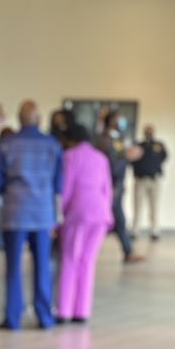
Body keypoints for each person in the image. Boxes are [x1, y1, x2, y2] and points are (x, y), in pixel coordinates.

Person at [0, 100, 62, 330]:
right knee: (43, 266)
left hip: (15, 212)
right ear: (39, 119)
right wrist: (57, 214)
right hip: (43, 214)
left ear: (19, 119)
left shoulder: (7, 144)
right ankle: (45, 317)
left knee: (13, 267)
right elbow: (58, 183)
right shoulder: (52, 145)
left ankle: (13, 317)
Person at [56, 124, 113, 323]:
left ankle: (64, 310)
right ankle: (82, 311)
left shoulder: (70, 156)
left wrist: (58, 215)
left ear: (71, 139)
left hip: (78, 214)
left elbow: (66, 188)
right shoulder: (101, 158)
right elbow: (107, 190)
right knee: (88, 262)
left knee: (70, 260)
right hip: (100, 215)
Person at [94, 109, 144, 263]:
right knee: (105, 219)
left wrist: (128, 156)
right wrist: (126, 156)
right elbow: (111, 164)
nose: (122, 122)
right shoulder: (105, 140)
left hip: (118, 185)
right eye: (119, 119)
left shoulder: (119, 139)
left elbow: (122, 157)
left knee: (120, 220)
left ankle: (128, 252)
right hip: (109, 185)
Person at [132, 124, 167, 241]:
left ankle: (154, 230)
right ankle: (135, 230)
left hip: (154, 180)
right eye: (147, 131)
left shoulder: (159, 145)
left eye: (151, 131)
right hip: (140, 180)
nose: (149, 133)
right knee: (138, 206)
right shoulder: (138, 145)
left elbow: (164, 157)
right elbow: (132, 160)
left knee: (154, 206)